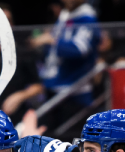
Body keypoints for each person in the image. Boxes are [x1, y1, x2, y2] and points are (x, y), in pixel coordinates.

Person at [33, 0, 101, 128]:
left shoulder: (87, 19)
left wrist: (51, 40)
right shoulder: (65, 15)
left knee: (72, 138)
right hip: (54, 86)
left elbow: (79, 50)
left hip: (75, 91)